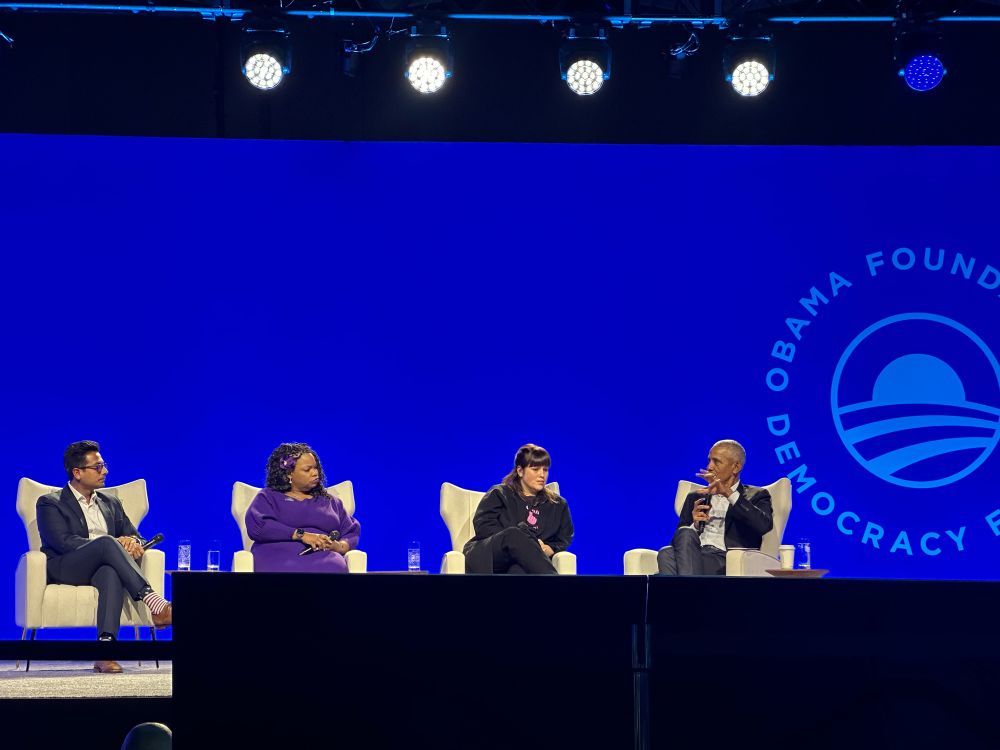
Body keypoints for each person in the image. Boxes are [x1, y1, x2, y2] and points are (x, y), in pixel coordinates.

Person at [36, 440, 173, 674]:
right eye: (98, 467)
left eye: (104, 465)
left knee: (111, 572)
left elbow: (134, 535)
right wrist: (111, 544)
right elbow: (64, 542)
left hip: (103, 565)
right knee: (108, 543)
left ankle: (105, 651)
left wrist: (133, 543)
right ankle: (156, 604)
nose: (105, 471)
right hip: (65, 566)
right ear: (77, 473)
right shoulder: (50, 502)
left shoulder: (110, 502)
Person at [657, 439, 773, 576]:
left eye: (716, 462)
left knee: (665, 561)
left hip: (727, 559)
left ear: (736, 467)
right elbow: (678, 543)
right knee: (667, 551)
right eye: (709, 460)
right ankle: (690, 594)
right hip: (696, 554)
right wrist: (694, 525)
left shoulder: (757, 495)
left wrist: (729, 493)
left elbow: (763, 525)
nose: (709, 467)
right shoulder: (696, 497)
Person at [245, 443, 360, 573]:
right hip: (277, 558)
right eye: (307, 469)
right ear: (289, 474)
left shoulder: (331, 501)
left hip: (325, 560)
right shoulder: (269, 497)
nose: (315, 473)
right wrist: (301, 535)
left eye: (316, 468)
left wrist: (338, 546)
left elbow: (350, 531)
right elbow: (258, 526)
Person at [464, 444, 574, 574]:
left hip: (527, 562)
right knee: (515, 535)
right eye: (535, 469)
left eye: (545, 470)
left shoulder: (558, 505)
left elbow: (564, 537)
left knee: (517, 571)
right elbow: (484, 527)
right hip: (490, 555)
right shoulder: (499, 493)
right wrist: (527, 542)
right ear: (520, 471)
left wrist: (550, 548)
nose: (542, 475)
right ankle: (564, 588)